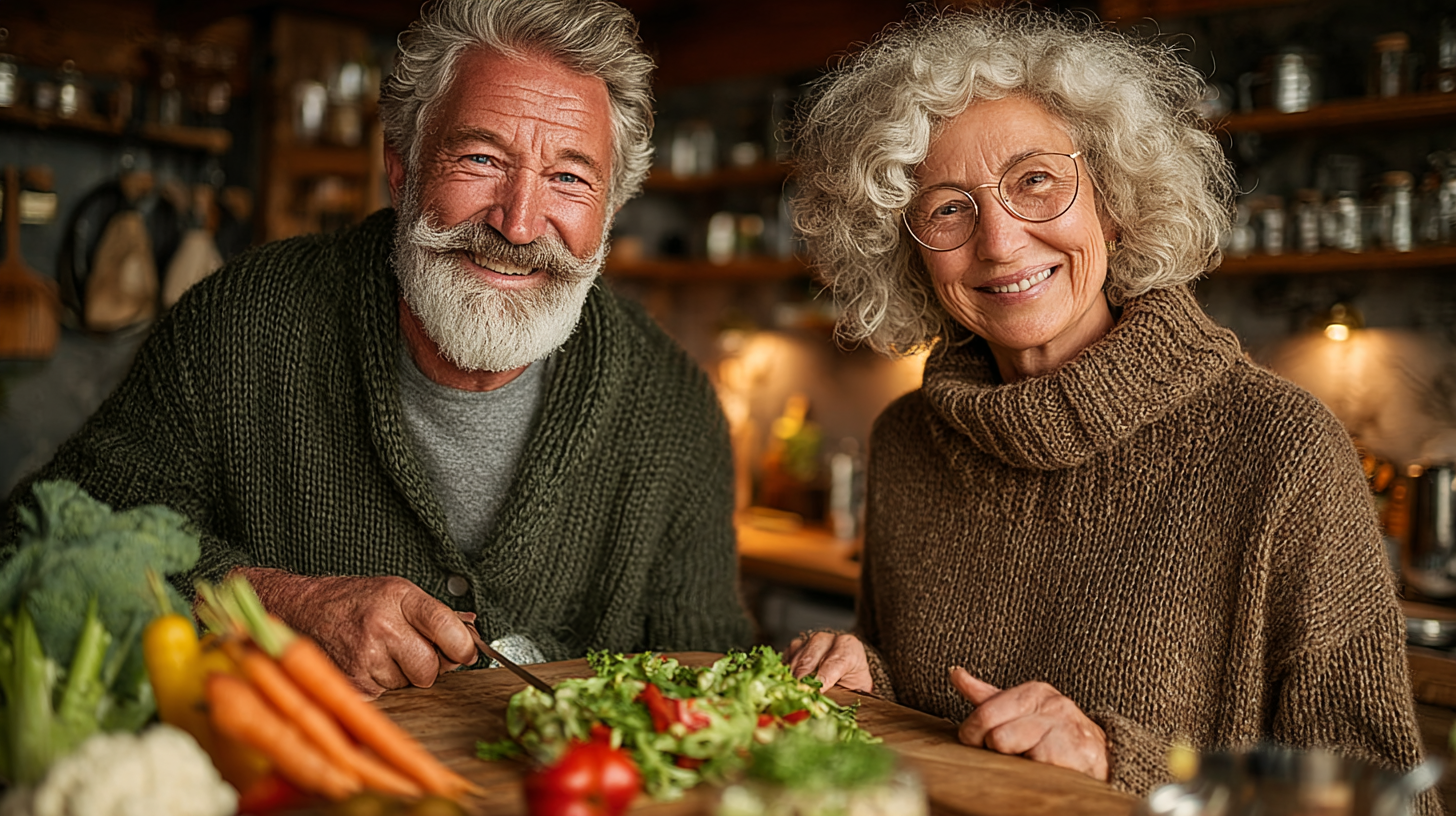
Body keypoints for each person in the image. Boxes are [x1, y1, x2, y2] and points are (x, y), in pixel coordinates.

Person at [1, 0, 752, 697]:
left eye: (568, 178)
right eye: (482, 159)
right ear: (402, 165)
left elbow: (715, 680)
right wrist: (275, 604)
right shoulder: (244, 321)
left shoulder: (671, 403)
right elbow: (38, 538)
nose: (519, 224)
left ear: (611, 209)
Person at [784, 5, 1434, 807]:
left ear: (1115, 202)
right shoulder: (908, 439)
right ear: (907, 251)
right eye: (948, 207)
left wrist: (1114, 765)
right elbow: (934, 720)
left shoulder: (1280, 450)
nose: (1000, 243)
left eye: (1036, 182)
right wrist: (867, 680)